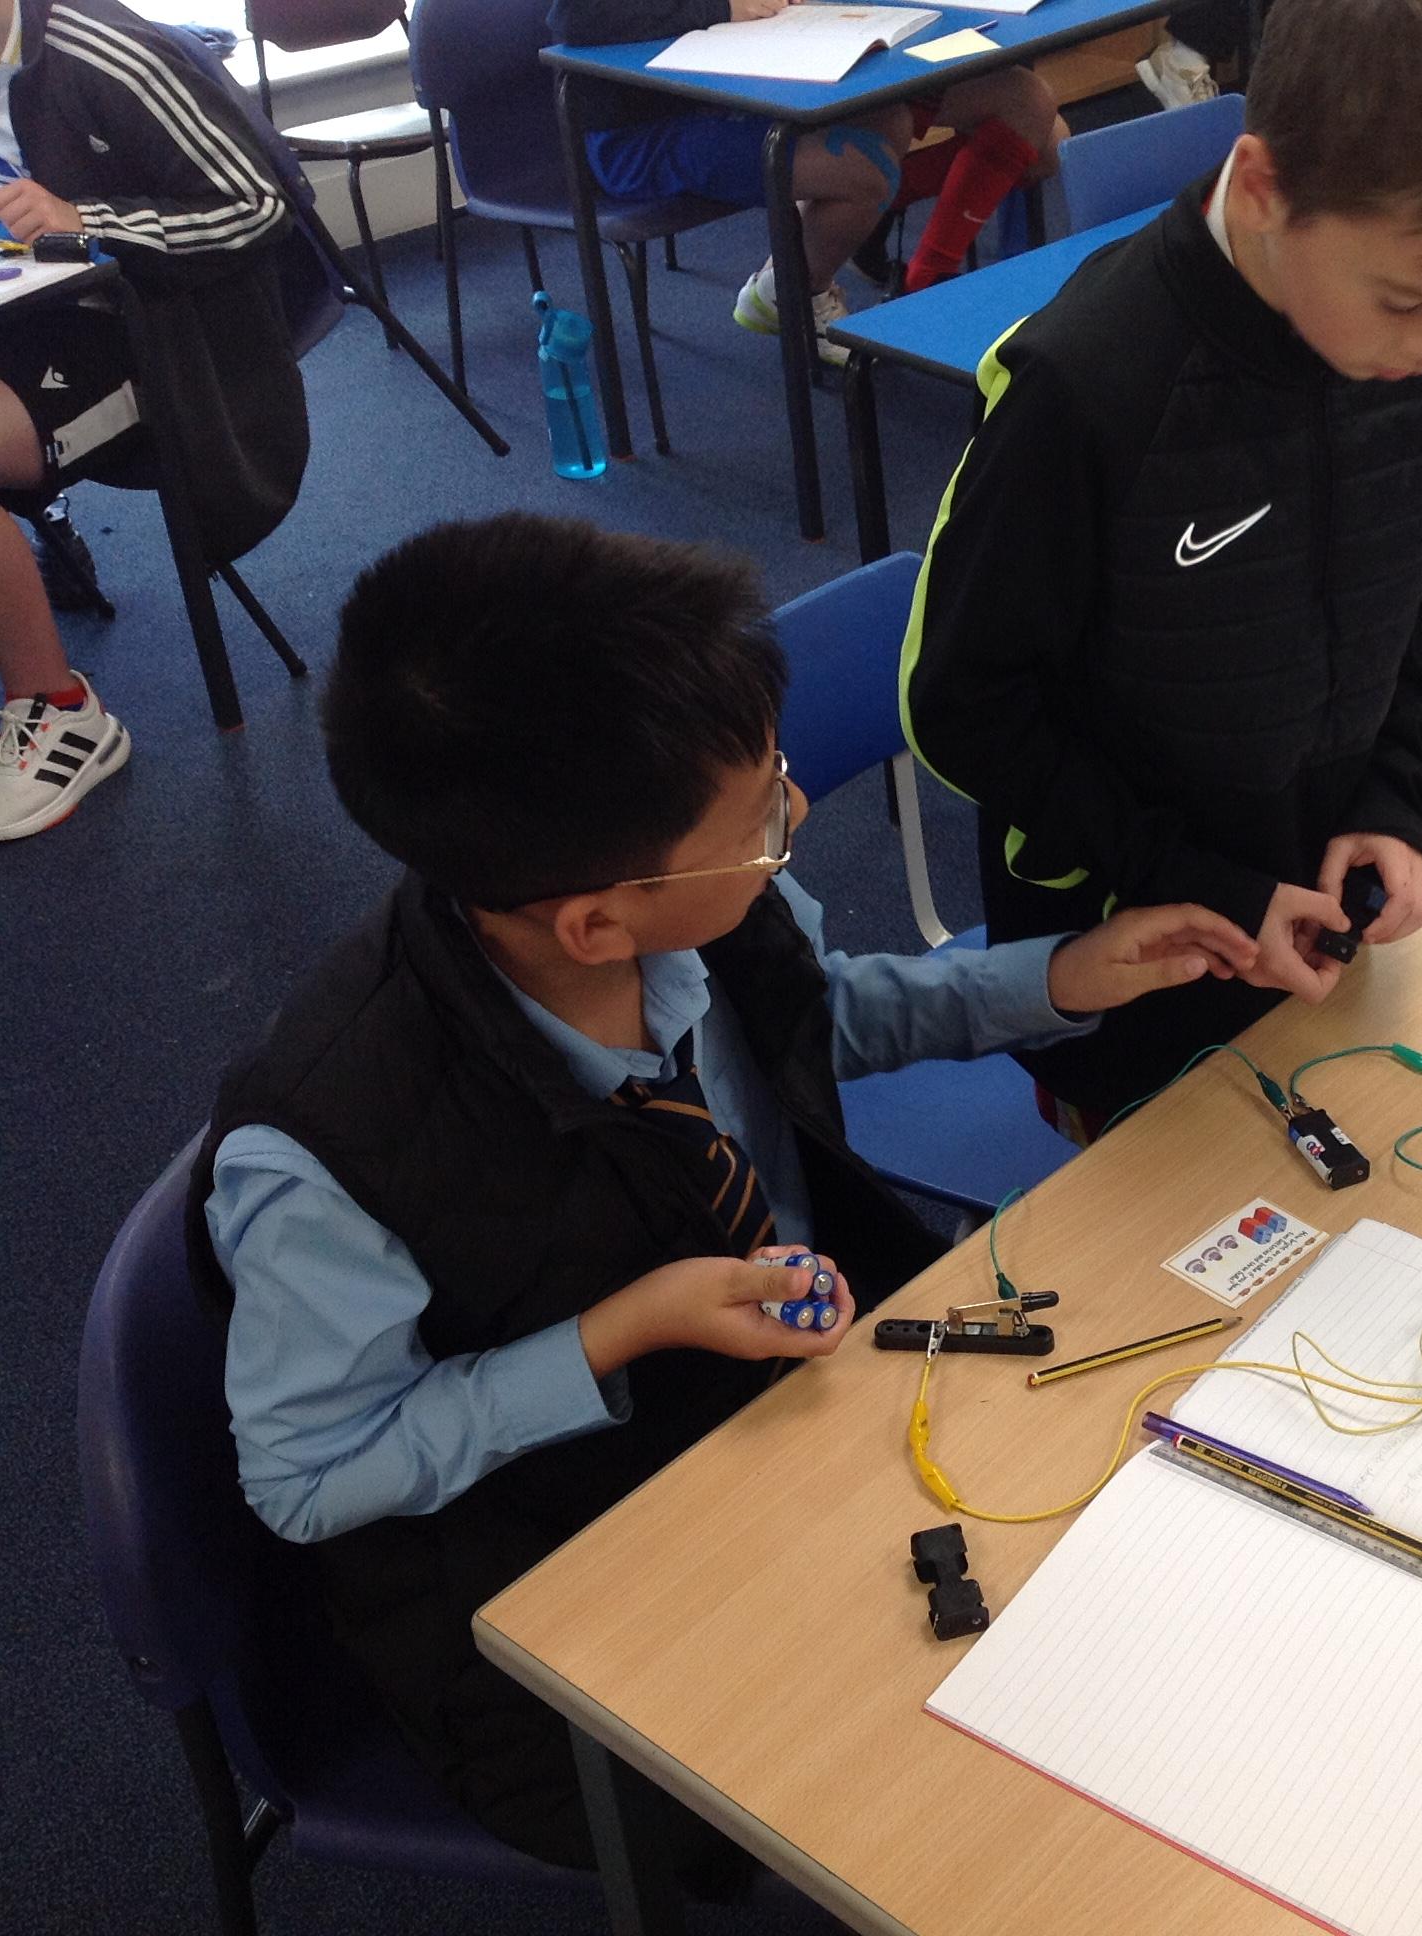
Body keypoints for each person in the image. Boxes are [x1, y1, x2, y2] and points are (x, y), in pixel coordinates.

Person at [190, 514, 1251, 1886]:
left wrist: (1059, 977)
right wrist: (619, 1332)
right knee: (961, 1792)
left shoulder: (701, 906)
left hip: (791, 1410)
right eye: (758, 823)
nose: (789, 822)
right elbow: (305, 1477)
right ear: (596, 924)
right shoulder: (329, 1152)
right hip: (564, 1558)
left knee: (1117, 1558)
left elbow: (818, 1015)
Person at [899, 0, 1422, 1133]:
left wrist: (1394, 797)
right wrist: (1202, 883)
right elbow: (963, 708)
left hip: (1323, 921)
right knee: (1163, 1210)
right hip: (1137, 957)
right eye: (1408, 302)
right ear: (1263, 188)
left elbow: (1416, 602)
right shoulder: (1085, 385)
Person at [0, 0, 307, 838]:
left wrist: (85, 219)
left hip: (156, 333)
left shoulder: (102, 52)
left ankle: (63, 713)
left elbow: (259, 204)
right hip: (28, 315)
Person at [548, 0, 1065, 360]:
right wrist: (720, 7)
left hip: (771, 74)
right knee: (867, 168)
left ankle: (908, 279)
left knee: (1025, 108)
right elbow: (577, 16)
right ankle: (793, 292)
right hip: (646, 128)